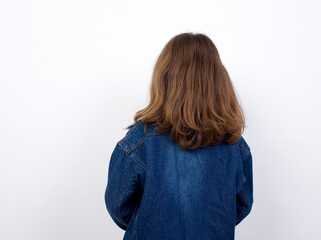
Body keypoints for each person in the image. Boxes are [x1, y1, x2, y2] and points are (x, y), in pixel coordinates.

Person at [104, 32, 253, 240]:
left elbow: (118, 207)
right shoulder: (234, 144)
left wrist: (152, 218)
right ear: (217, 81)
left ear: (164, 80)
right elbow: (241, 205)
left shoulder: (141, 140)